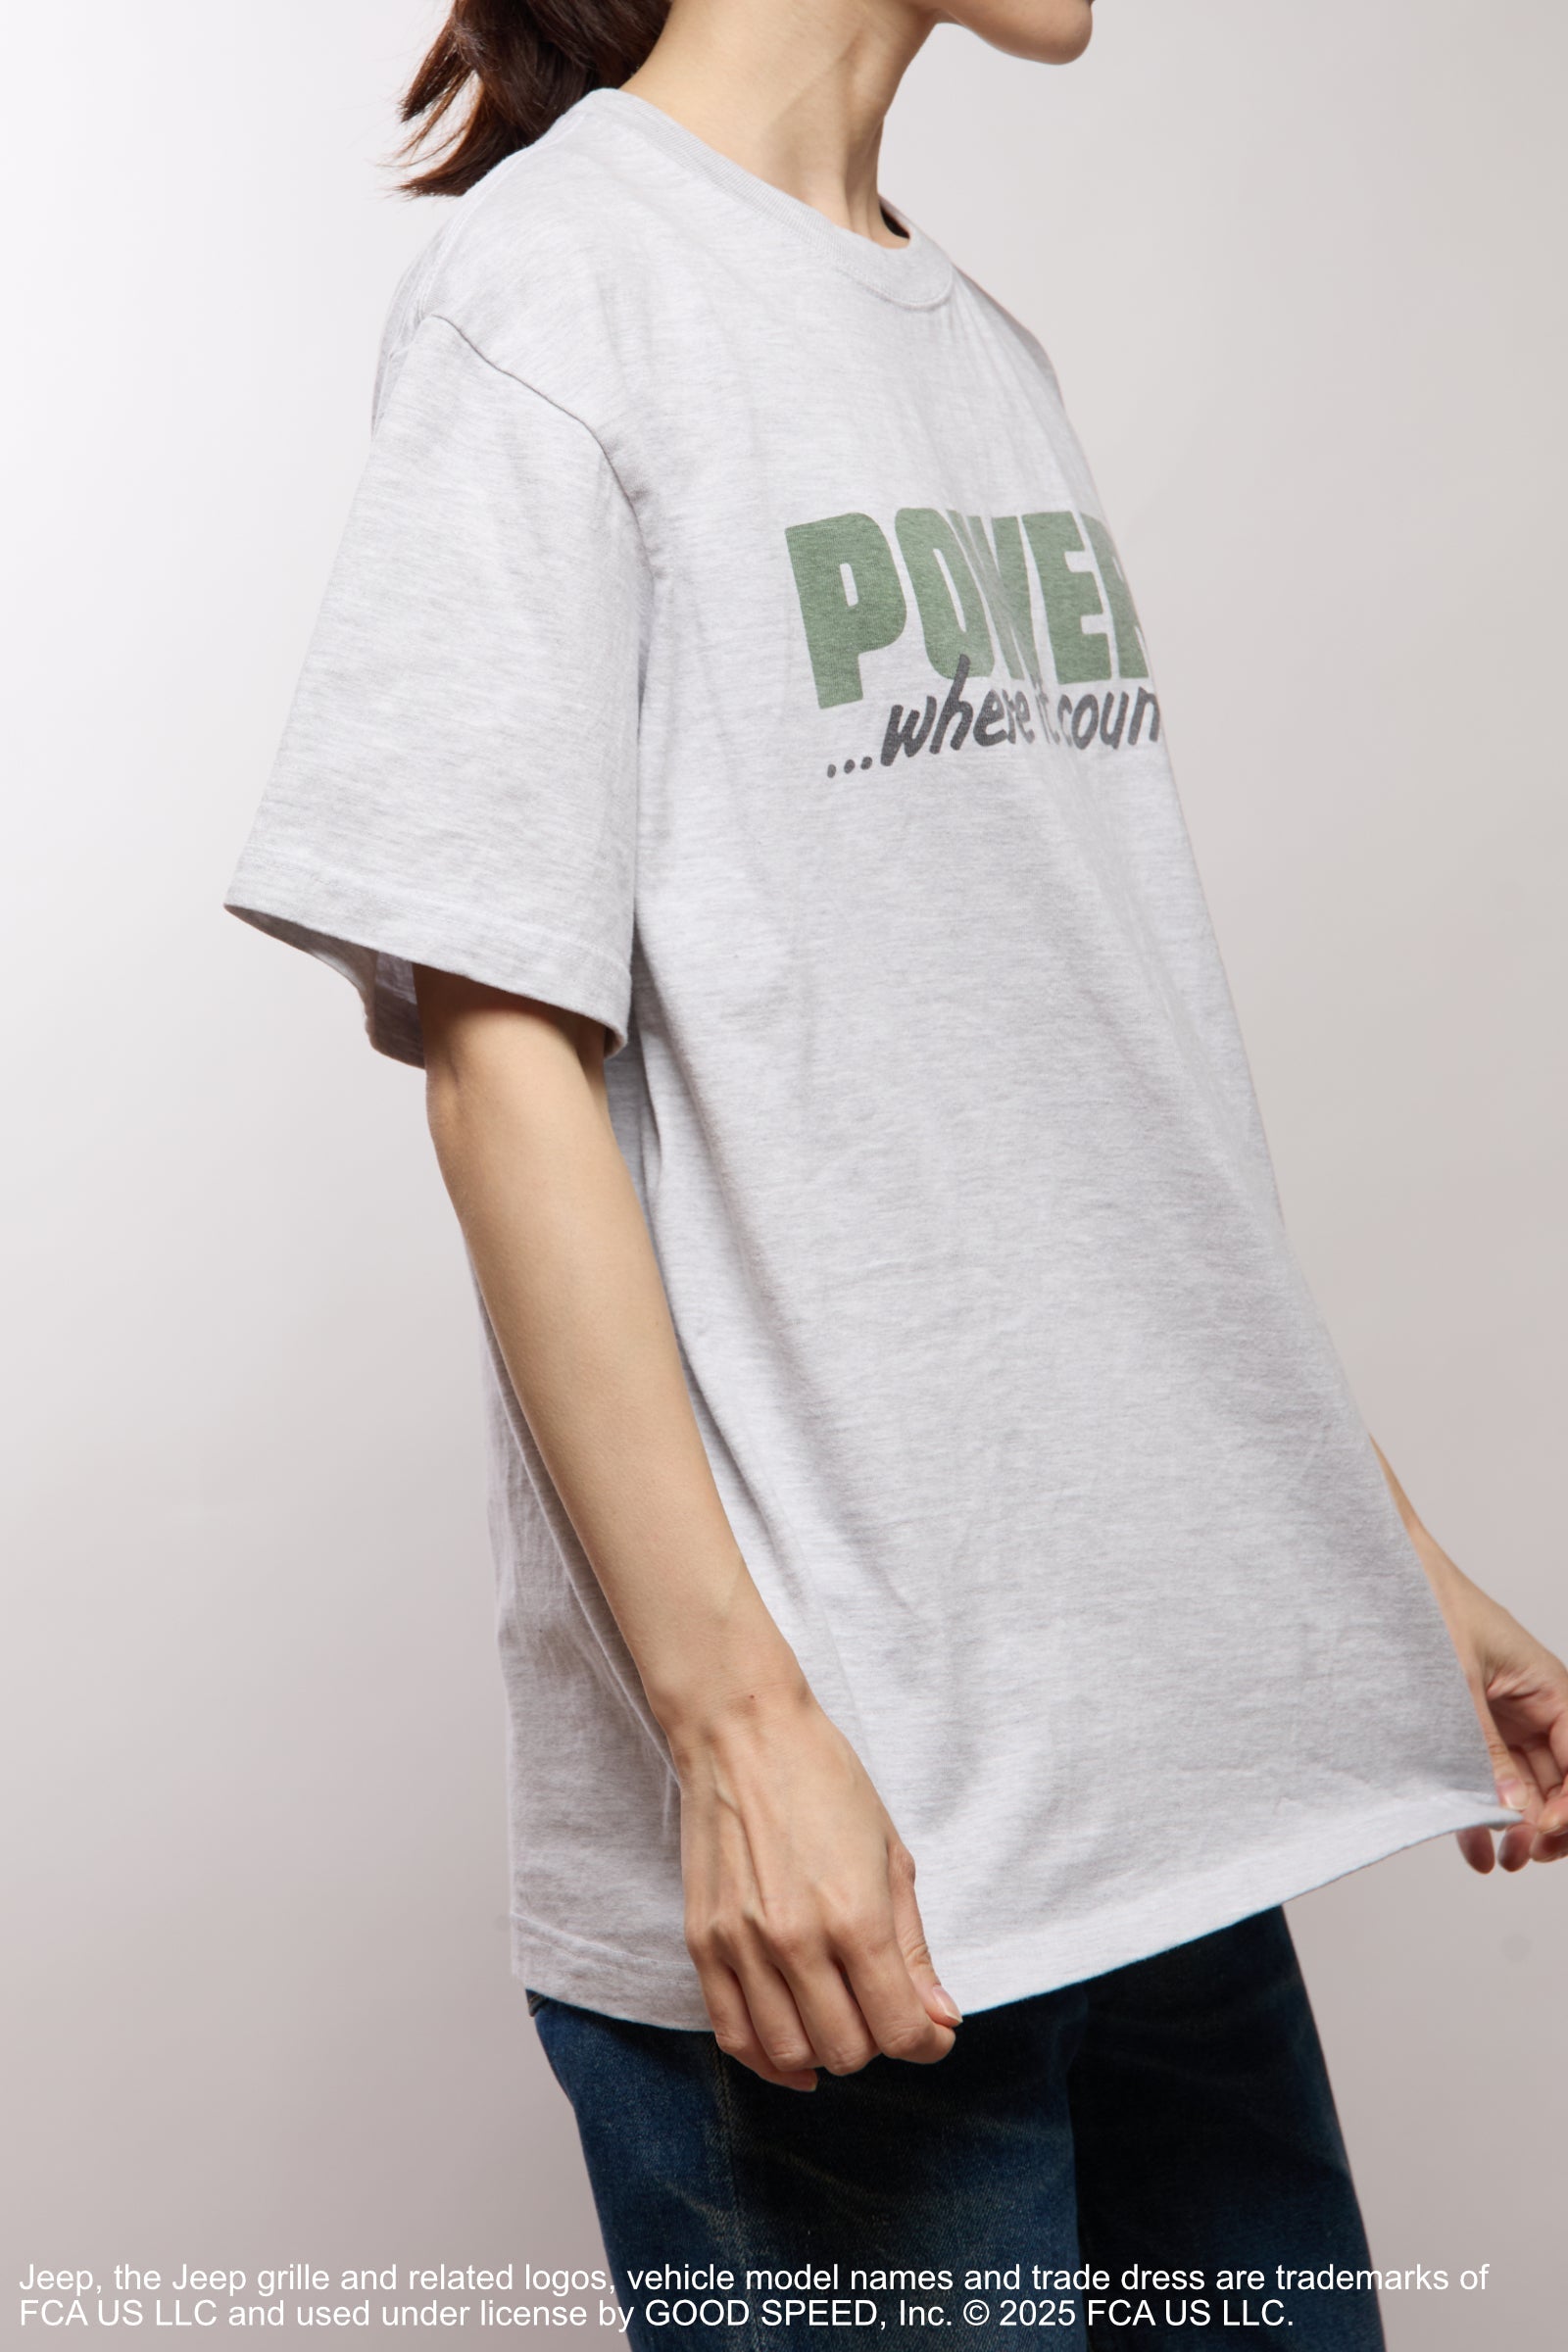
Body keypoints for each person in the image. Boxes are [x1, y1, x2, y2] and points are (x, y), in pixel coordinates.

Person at [224, 2, 1568, 2343]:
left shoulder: (975, 358)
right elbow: (501, 1059)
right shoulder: (560, 291)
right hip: (853, 1878)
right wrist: (734, 1733)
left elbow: (1064, 1091)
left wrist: (1374, 1560)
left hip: (1146, 1821)